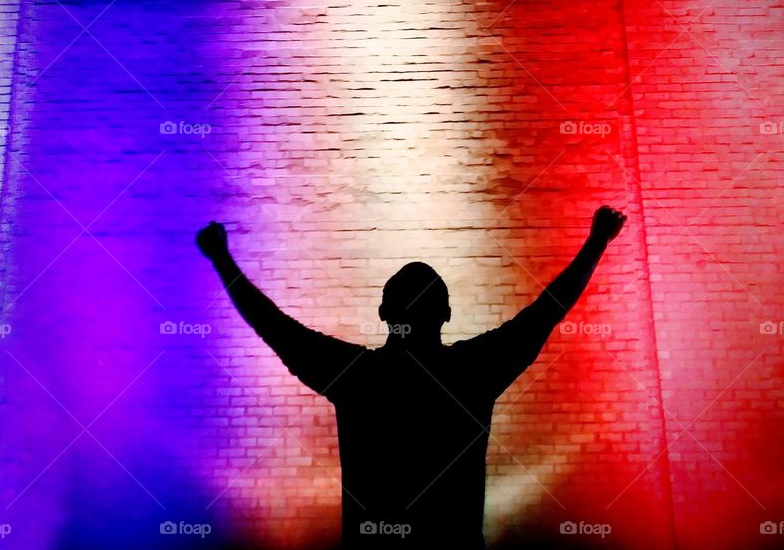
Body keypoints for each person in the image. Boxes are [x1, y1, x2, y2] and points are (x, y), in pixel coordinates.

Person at [196, 206, 626, 548]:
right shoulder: (472, 371)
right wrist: (596, 243)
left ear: (384, 314)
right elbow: (547, 311)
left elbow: (274, 326)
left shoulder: (356, 376)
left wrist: (222, 259)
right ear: (446, 315)